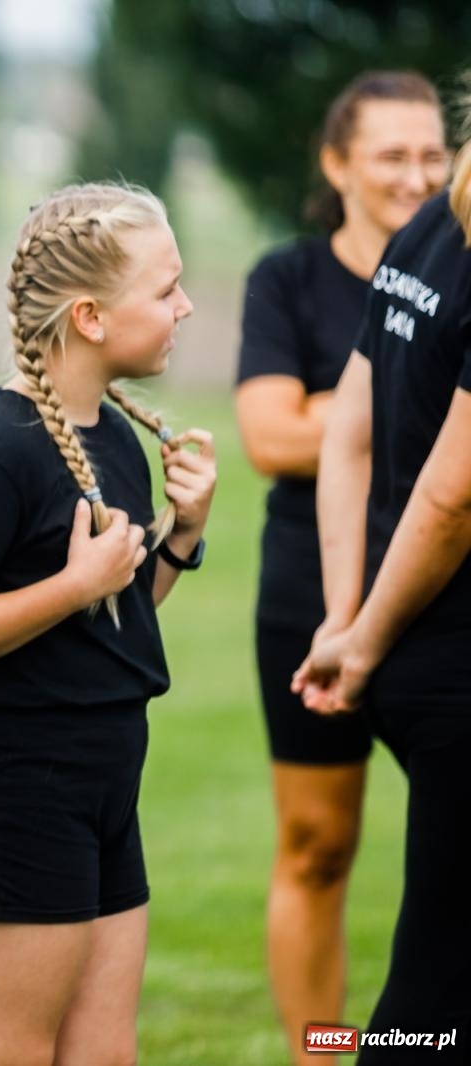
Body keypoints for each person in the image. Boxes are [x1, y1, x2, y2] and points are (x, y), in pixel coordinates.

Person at [0, 183, 216, 1066]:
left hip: (104, 777)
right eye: (165, 289)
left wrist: (180, 536)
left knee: (105, 1053)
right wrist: (70, 587)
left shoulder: (109, 433)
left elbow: (114, 619)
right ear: (90, 317)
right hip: (17, 788)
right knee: (11, 1054)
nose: (184, 306)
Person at [233, 71, 447, 1061]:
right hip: (309, 590)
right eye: (390, 155)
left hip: (435, 603)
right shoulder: (288, 276)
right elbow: (270, 435)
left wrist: (368, 399)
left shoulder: (441, 252)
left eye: (430, 151)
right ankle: (320, 1050)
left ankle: (409, 1035)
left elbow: (311, 416)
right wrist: (425, 396)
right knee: (317, 849)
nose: (416, 172)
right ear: (336, 164)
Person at [294, 118, 471, 1060]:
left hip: (405, 653)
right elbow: (451, 498)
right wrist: (356, 643)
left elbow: (348, 432)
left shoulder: (428, 226)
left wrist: (345, 613)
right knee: (434, 990)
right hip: (451, 666)